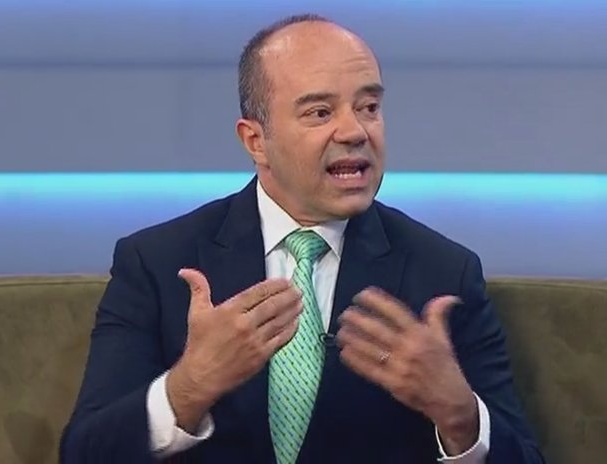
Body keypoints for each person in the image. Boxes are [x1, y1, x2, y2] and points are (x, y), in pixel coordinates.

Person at [60, 14, 545, 464]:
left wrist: (460, 415)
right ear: (256, 141)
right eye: (319, 112)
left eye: (369, 107)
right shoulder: (158, 262)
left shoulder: (444, 273)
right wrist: (188, 388)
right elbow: (84, 453)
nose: (355, 131)